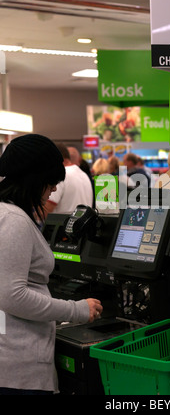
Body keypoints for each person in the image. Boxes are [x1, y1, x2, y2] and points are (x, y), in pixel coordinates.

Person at [0, 134, 103, 395]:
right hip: (18, 369)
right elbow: (12, 296)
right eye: (51, 182)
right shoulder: (14, 220)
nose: (54, 189)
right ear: (35, 179)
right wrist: (76, 310)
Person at [45, 143, 93, 215]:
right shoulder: (84, 175)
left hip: (62, 225)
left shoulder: (61, 175)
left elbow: (45, 212)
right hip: (83, 224)